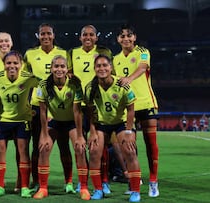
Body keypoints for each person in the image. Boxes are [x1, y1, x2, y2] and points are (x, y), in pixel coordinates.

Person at [24, 23, 75, 193]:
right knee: (39, 145)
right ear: (38, 36)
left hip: (59, 106)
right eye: (42, 34)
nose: (45, 36)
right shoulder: (30, 54)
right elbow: (25, 79)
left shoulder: (63, 53)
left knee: (63, 145)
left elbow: (69, 77)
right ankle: (37, 182)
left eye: (48, 33)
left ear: (53, 35)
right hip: (37, 105)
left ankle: (68, 182)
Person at [68, 24, 119, 194]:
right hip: (79, 105)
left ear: (96, 37)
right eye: (85, 35)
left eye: (91, 34)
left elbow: (113, 74)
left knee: (99, 146)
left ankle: (104, 181)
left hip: (98, 106)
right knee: (79, 145)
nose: (88, 37)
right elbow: (68, 73)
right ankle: (82, 181)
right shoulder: (72, 53)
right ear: (80, 37)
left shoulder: (105, 52)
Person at [85, 54, 141, 202]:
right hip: (102, 124)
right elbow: (90, 112)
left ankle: (135, 191)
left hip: (121, 123)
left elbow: (131, 109)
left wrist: (129, 132)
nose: (101, 68)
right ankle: (98, 190)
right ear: (94, 69)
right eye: (98, 66)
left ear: (111, 68)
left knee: (130, 151)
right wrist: (92, 132)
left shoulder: (122, 84)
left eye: (105, 65)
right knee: (94, 151)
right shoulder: (90, 87)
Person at [33, 55, 89, 200]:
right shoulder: (43, 85)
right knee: (43, 149)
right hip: (55, 121)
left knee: (80, 149)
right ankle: (43, 188)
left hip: (71, 122)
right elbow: (43, 111)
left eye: (62, 66)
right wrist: (44, 134)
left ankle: (83, 188)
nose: (59, 69)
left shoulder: (75, 84)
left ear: (67, 69)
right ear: (51, 68)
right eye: (56, 66)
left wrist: (80, 135)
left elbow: (77, 111)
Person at [113, 24, 159, 198]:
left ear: (134, 37)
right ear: (118, 39)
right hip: (127, 108)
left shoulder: (143, 51)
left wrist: (128, 80)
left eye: (129, 35)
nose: (126, 39)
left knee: (151, 144)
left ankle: (153, 181)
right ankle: (136, 181)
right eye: (122, 36)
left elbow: (141, 69)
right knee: (129, 146)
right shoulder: (115, 59)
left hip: (146, 103)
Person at [0, 51, 39, 198]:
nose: (12, 66)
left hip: (22, 121)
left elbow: (45, 84)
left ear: (21, 65)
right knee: (0, 152)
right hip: (3, 120)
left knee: (23, 152)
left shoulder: (28, 78)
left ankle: (24, 187)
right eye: (8, 63)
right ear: (4, 65)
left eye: (15, 63)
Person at [0, 32, 23, 192]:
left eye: (6, 40)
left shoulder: (21, 61)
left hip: (17, 113)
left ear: (11, 42)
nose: (3, 43)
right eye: (0, 41)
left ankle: (21, 182)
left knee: (21, 148)